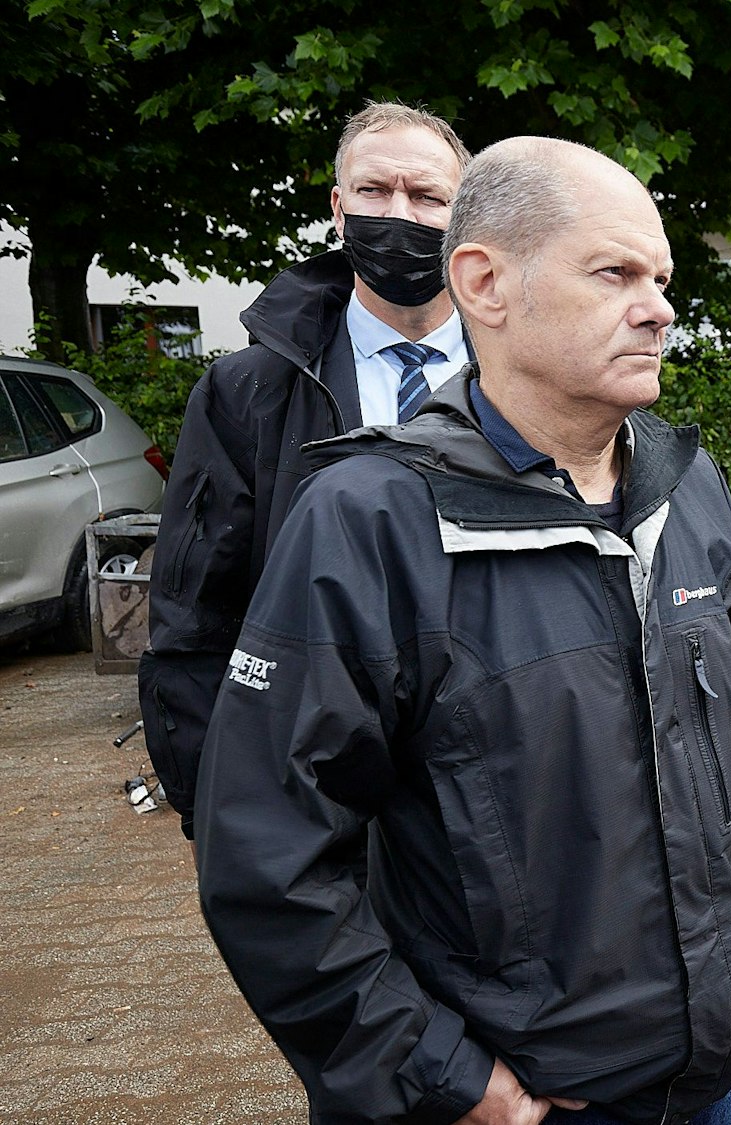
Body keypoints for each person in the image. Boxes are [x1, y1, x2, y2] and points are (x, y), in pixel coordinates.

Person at [193, 136, 731, 1125]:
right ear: (485, 282)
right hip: (511, 1101)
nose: (660, 306)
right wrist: (445, 1076)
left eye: (662, 278)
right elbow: (269, 858)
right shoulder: (369, 519)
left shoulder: (688, 491)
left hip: (698, 1078)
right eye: (616, 273)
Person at [140, 101, 473, 840]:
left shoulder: (531, 379)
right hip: (318, 789)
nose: (398, 214)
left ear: (467, 216)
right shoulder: (250, 392)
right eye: (373, 192)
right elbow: (193, 616)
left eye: (426, 197)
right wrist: (220, 810)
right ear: (336, 206)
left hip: (494, 786)